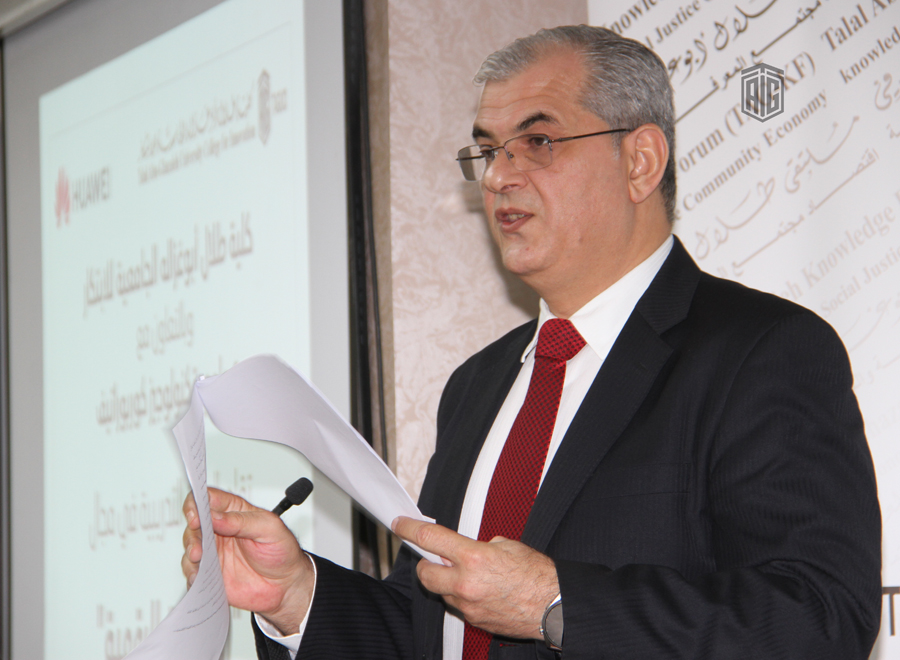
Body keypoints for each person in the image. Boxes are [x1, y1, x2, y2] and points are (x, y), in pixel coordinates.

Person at [182, 25, 881, 659]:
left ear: (640, 161)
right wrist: (295, 595)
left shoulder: (762, 353)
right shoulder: (479, 384)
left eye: (538, 142)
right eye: (488, 150)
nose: (499, 176)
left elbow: (819, 619)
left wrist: (555, 602)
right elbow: (430, 632)